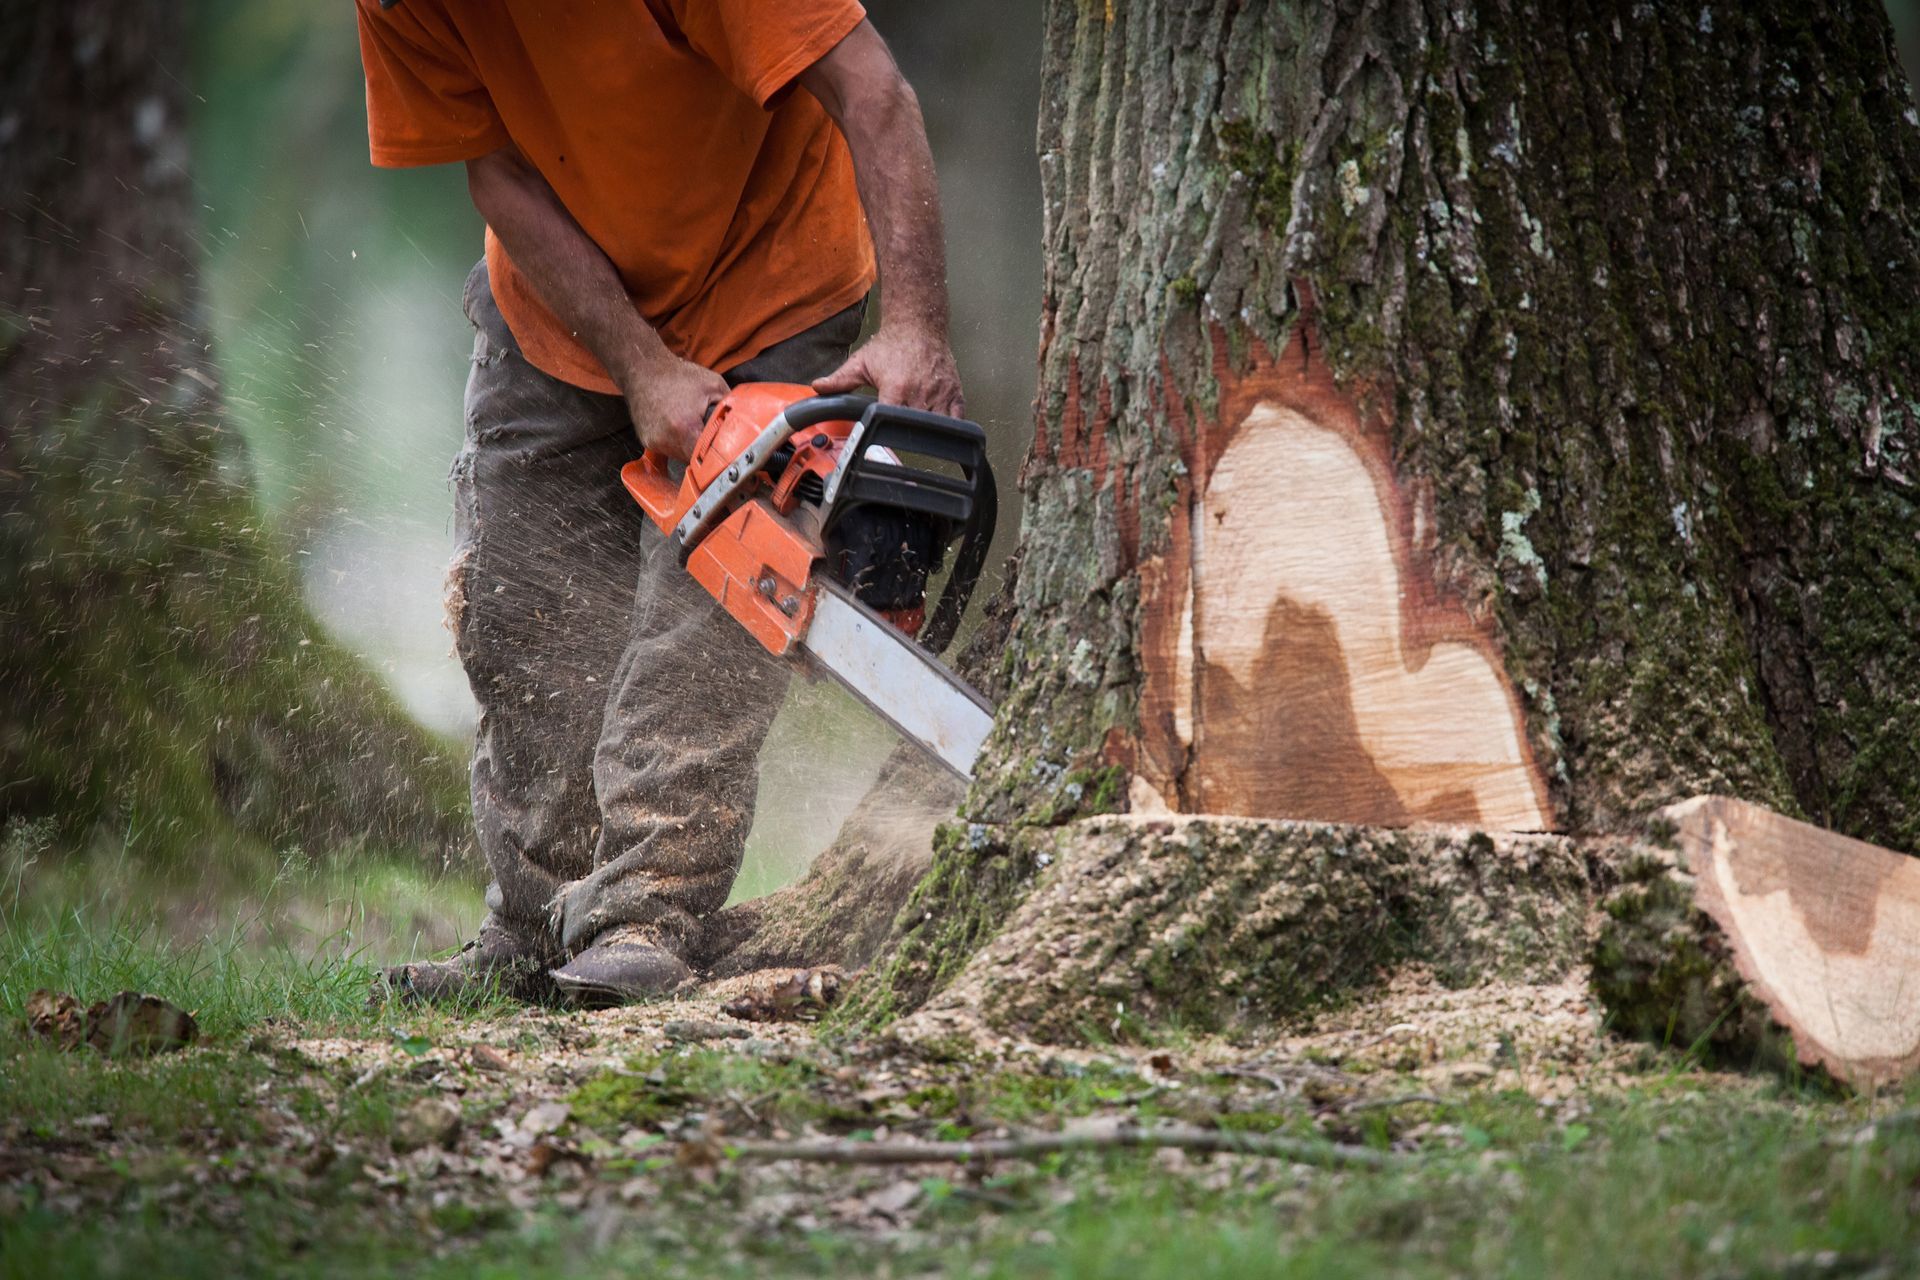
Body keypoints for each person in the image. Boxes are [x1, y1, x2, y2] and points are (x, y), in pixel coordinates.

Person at [354, 0, 962, 1004]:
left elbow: (875, 91)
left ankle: (643, 916)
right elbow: (494, 165)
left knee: (704, 625)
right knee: (521, 609)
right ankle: (532, 921)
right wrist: (642, 366)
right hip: (556, 301)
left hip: (774, 275)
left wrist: (917, 330)